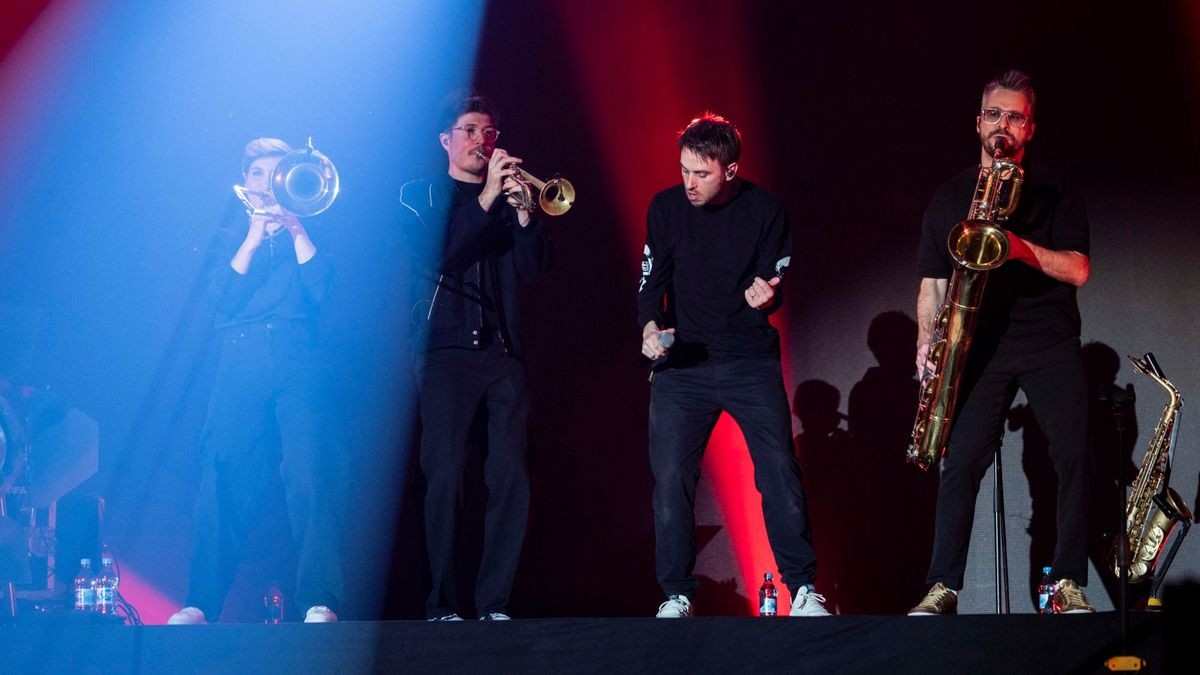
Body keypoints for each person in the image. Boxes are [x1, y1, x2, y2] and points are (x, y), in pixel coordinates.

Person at [909, 70, 1094, 615]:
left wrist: (1017, 248)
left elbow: (1080, 269)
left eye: (1015, 117)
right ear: (978, 123)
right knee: (960, 462)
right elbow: (931, 280)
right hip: (978, 347)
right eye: (994, 114)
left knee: (1074, 456)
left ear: (1030, 128)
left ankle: (1066, 581)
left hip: (1048, 340)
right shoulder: (949, 196)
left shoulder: (1056, 188)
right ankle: (943, 586)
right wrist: (926, 340)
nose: (1003, 125)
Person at [639, 113, 829, 618]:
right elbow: (650, 281)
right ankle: (677, 595)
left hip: (747, 360)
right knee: (671, 481)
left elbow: (774, 278)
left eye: (701, 173)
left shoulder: (765, 210)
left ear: (731, 170)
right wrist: (648, 329)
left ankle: (803, 590)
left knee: (778, 472)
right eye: (684, 170)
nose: (689, 183)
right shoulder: (665, 208)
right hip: (683, 367)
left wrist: (767, 295)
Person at [168, 138, 344, 625]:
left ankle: (319, 601)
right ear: (246, 182)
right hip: (239, 356)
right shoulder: (228, 237)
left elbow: (323, 290)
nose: (269, 184)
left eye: (277, 174)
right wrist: (252, 235)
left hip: (295, 355)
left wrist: (294, 227)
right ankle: (200, 603)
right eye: (260, 175)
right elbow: (221, 298)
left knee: (309, 472)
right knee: (219, 475)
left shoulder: (308, 230)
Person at [400, 92, 552, 621]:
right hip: (444, 353)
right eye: (469, 130)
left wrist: (528, 218)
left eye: (488, 133)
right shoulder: (420, 195)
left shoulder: (509, 202)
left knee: (511, 477)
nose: (481, 141)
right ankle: (442, 602)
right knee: (445, 476)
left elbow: (535, 271)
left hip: (504, 354)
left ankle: (495, 604)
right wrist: (487, 199)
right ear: (446, 140)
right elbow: (437, 255)